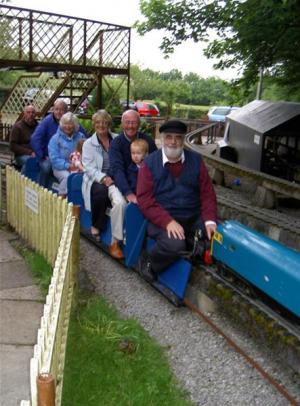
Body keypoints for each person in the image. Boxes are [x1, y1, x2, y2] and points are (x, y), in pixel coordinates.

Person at [136, 120, 218, 282]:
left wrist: (209, 220)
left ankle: (194, 253)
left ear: (183, 139)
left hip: (192, 217)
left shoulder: (196, 161)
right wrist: (167, 222)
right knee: (175, 244)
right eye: (169, 137)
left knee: (217, 237)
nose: (173, 142)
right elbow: (145, 200)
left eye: (178, 137)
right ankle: (149, 263)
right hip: (162, 219)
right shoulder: (150, 164)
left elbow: (207, 193)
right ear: (163, 139)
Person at [81, 110, 126, 259]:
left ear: (109, 124)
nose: (101, 125)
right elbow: (88, 167)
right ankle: (96, 226)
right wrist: (103, 178)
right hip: (98, 178)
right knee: (100, 192)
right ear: (94, 125)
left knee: (120, 203)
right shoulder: (88, 144)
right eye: (98, 122)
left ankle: (115, 241)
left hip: (116, 179)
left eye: (104, 122)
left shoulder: (117, 139)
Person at [31, 100, 87, 187]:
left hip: (72, 159)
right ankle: (41, 187)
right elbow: (35, 138)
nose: (58, 112)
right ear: (53, 110)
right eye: (56, 109)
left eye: (61, 110)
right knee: (47, 167)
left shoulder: (71, 121)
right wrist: (41, 155)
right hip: (49, 155)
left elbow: (84, 137)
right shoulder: (47, 121)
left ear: (66, 111)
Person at [109, 109, 157, 204]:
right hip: (120, 184)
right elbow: (117, 170)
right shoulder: (116, 143)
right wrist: (128, 193)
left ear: (139, 124)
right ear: (122, 124)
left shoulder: (148, 141)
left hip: (144, 184)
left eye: (134, 123)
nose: (130, 126)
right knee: (120, 204)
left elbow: (156, 165)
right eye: (127, 122)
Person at [48, 112, 85, 197]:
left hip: (79, 166)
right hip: (60, 168)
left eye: (70, 124)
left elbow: (86, 152)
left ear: (74, 125)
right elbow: (54, 159)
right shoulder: (55, 139)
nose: (68, 126)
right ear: (61, 124)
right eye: (65, 124)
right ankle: (62, 198)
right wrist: (68, 166)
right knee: (68, 177)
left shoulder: (81, 136)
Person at [9, 105, 38, 173]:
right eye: (28, 112)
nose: (31, 114)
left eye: (33, 112)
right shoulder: (17, 127)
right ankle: (23, 179)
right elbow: (12, 146)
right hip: (21, 155)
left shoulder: (38, 126)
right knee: (31, 161)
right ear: (24, 113)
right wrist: (30, 152)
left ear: (35, 114)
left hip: (37, 153)